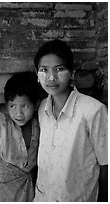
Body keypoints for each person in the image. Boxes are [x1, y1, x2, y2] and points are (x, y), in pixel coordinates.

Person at [33, 39, 108, 202]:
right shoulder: (42, 108)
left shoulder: (93, 110)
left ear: (72, 72)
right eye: (44, 70)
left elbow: (105, 162)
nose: (51, 78)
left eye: (59, 69)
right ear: (37, 74)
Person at [0, 72, 40, 202]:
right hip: (2, 182)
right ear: (6, 106)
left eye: (25, 106)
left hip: (26, 182)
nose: (18, 113)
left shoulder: (39, 123)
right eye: (13, 106)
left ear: (36, 105)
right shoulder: (4, 124)